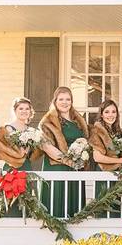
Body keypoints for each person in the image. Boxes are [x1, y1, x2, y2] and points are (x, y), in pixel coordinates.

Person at [39, 87, 90, 217]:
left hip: (76, 168)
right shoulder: (47, 122)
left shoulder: (78, 121)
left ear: (72, 101)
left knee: (75, 206)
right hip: (57, 167)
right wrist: (69, 162)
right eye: (61, 99)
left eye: (68, 99)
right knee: (57, 203)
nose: (65, 102)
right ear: (55, 101)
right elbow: (47, 147)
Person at [0, 97, 41, 217]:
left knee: (26, 199)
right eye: (21, 108)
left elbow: (33, 153)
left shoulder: (31, 131)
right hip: (12, 168)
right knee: (10, 200)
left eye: (27, 109)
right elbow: (0, 151)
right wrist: (17, 154)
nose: (24, 111)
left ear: (31, 111)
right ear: (15, 110)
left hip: (27, 167)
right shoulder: (8, 129)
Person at [88, 99, 122, 218]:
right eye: (107, 112)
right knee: (104, 208)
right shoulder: (96, 131)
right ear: (101, 114)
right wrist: (120, 161)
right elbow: (97, 157)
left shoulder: (119, 132)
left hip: (117, 175)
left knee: (116, 208)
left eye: (113, 112)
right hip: (103, 174)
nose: (110, 115)